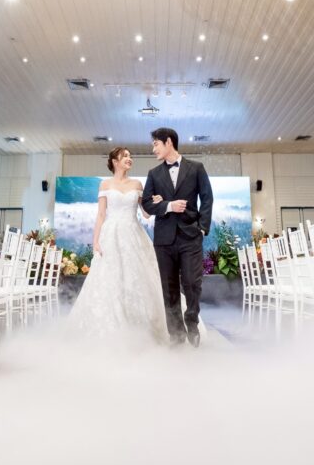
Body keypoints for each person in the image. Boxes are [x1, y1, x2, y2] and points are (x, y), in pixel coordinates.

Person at [69, 147, 169, 344]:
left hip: (133, 234)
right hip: (111, 235)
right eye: (125, 156)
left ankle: (141, 327)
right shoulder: (105, 184)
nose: (129, 159)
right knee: (109, 277)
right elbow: (101, 215)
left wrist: (157, 202)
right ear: (115, 161)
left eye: (130, 156)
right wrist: (96, 241)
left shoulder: (137, 184)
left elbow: (146, 214)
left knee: (137, 277)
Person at [141, 128, 213, 347]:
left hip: (191, 236)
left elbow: (207, 198)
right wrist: (168, 205)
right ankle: (176, 335)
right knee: (169, 288)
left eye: (156, 144)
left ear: (169, 142)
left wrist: (202, 228)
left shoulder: (196, 168)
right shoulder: (154, 174)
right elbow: (147, 204)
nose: (153, 149)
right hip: (163, 239)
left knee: (192, 282)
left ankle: (192, 321)